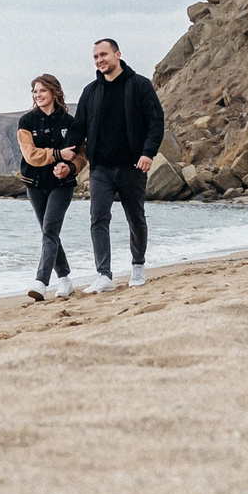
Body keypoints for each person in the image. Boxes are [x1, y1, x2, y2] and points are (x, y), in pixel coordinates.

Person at [72, 37, 164, 293]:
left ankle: (138, 266)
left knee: (136, 218)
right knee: (98, 219)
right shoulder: (91, 91)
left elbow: (156, 121)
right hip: (100, 168)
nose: (99, 60)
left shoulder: (139, 85)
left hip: (133, 166)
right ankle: (104, 274)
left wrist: (148, 153)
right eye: (95, 57)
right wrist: (66, 152)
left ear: (117, 54)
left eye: (103, 54)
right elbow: (79, 127)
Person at [17, 74, 82, 300]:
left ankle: (41, 282)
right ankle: (65, 279)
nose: (38, 95)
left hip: (62, 185)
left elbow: (81, 155)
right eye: (35, 91)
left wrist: (69, 167)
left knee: (50, 230)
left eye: (42, 90)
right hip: (34, 185)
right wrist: (57, 154)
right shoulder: (26, 122)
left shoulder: (70, 122)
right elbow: (30, 155)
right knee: (49, 232)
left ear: (54, 92)